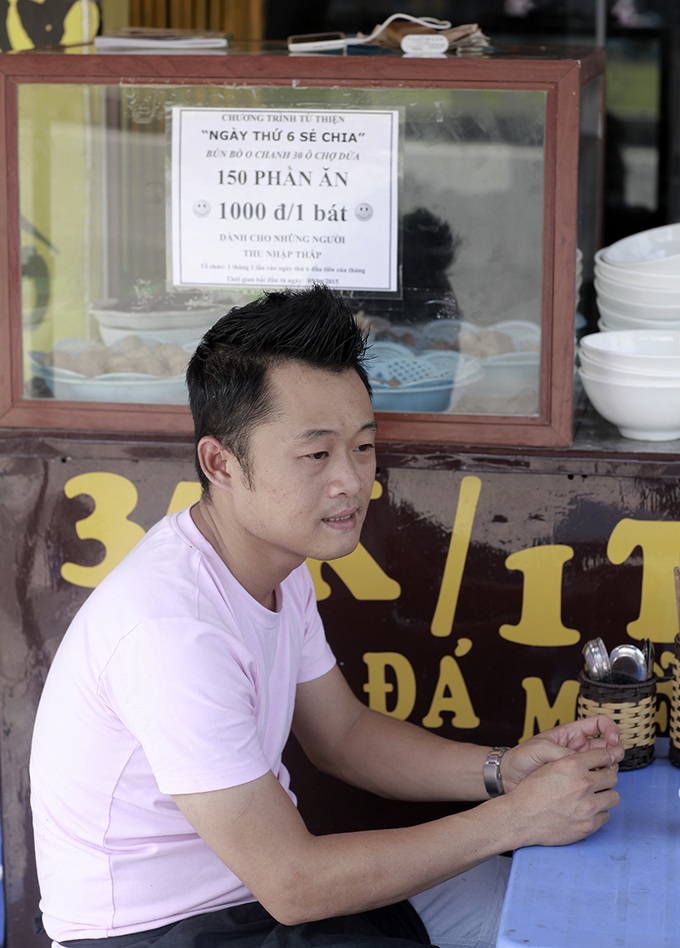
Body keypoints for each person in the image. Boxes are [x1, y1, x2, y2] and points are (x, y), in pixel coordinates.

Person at [30, 284, 623, 948]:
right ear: (220, 463)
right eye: (316, 454)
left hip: (257, 900)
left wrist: (503, 770)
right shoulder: (173, 632)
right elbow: (294, 884)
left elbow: (342, 736)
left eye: (363, 447)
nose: (351, 479)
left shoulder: (277, 564)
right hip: (167, 932)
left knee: (522, 907)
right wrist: (517, 818)